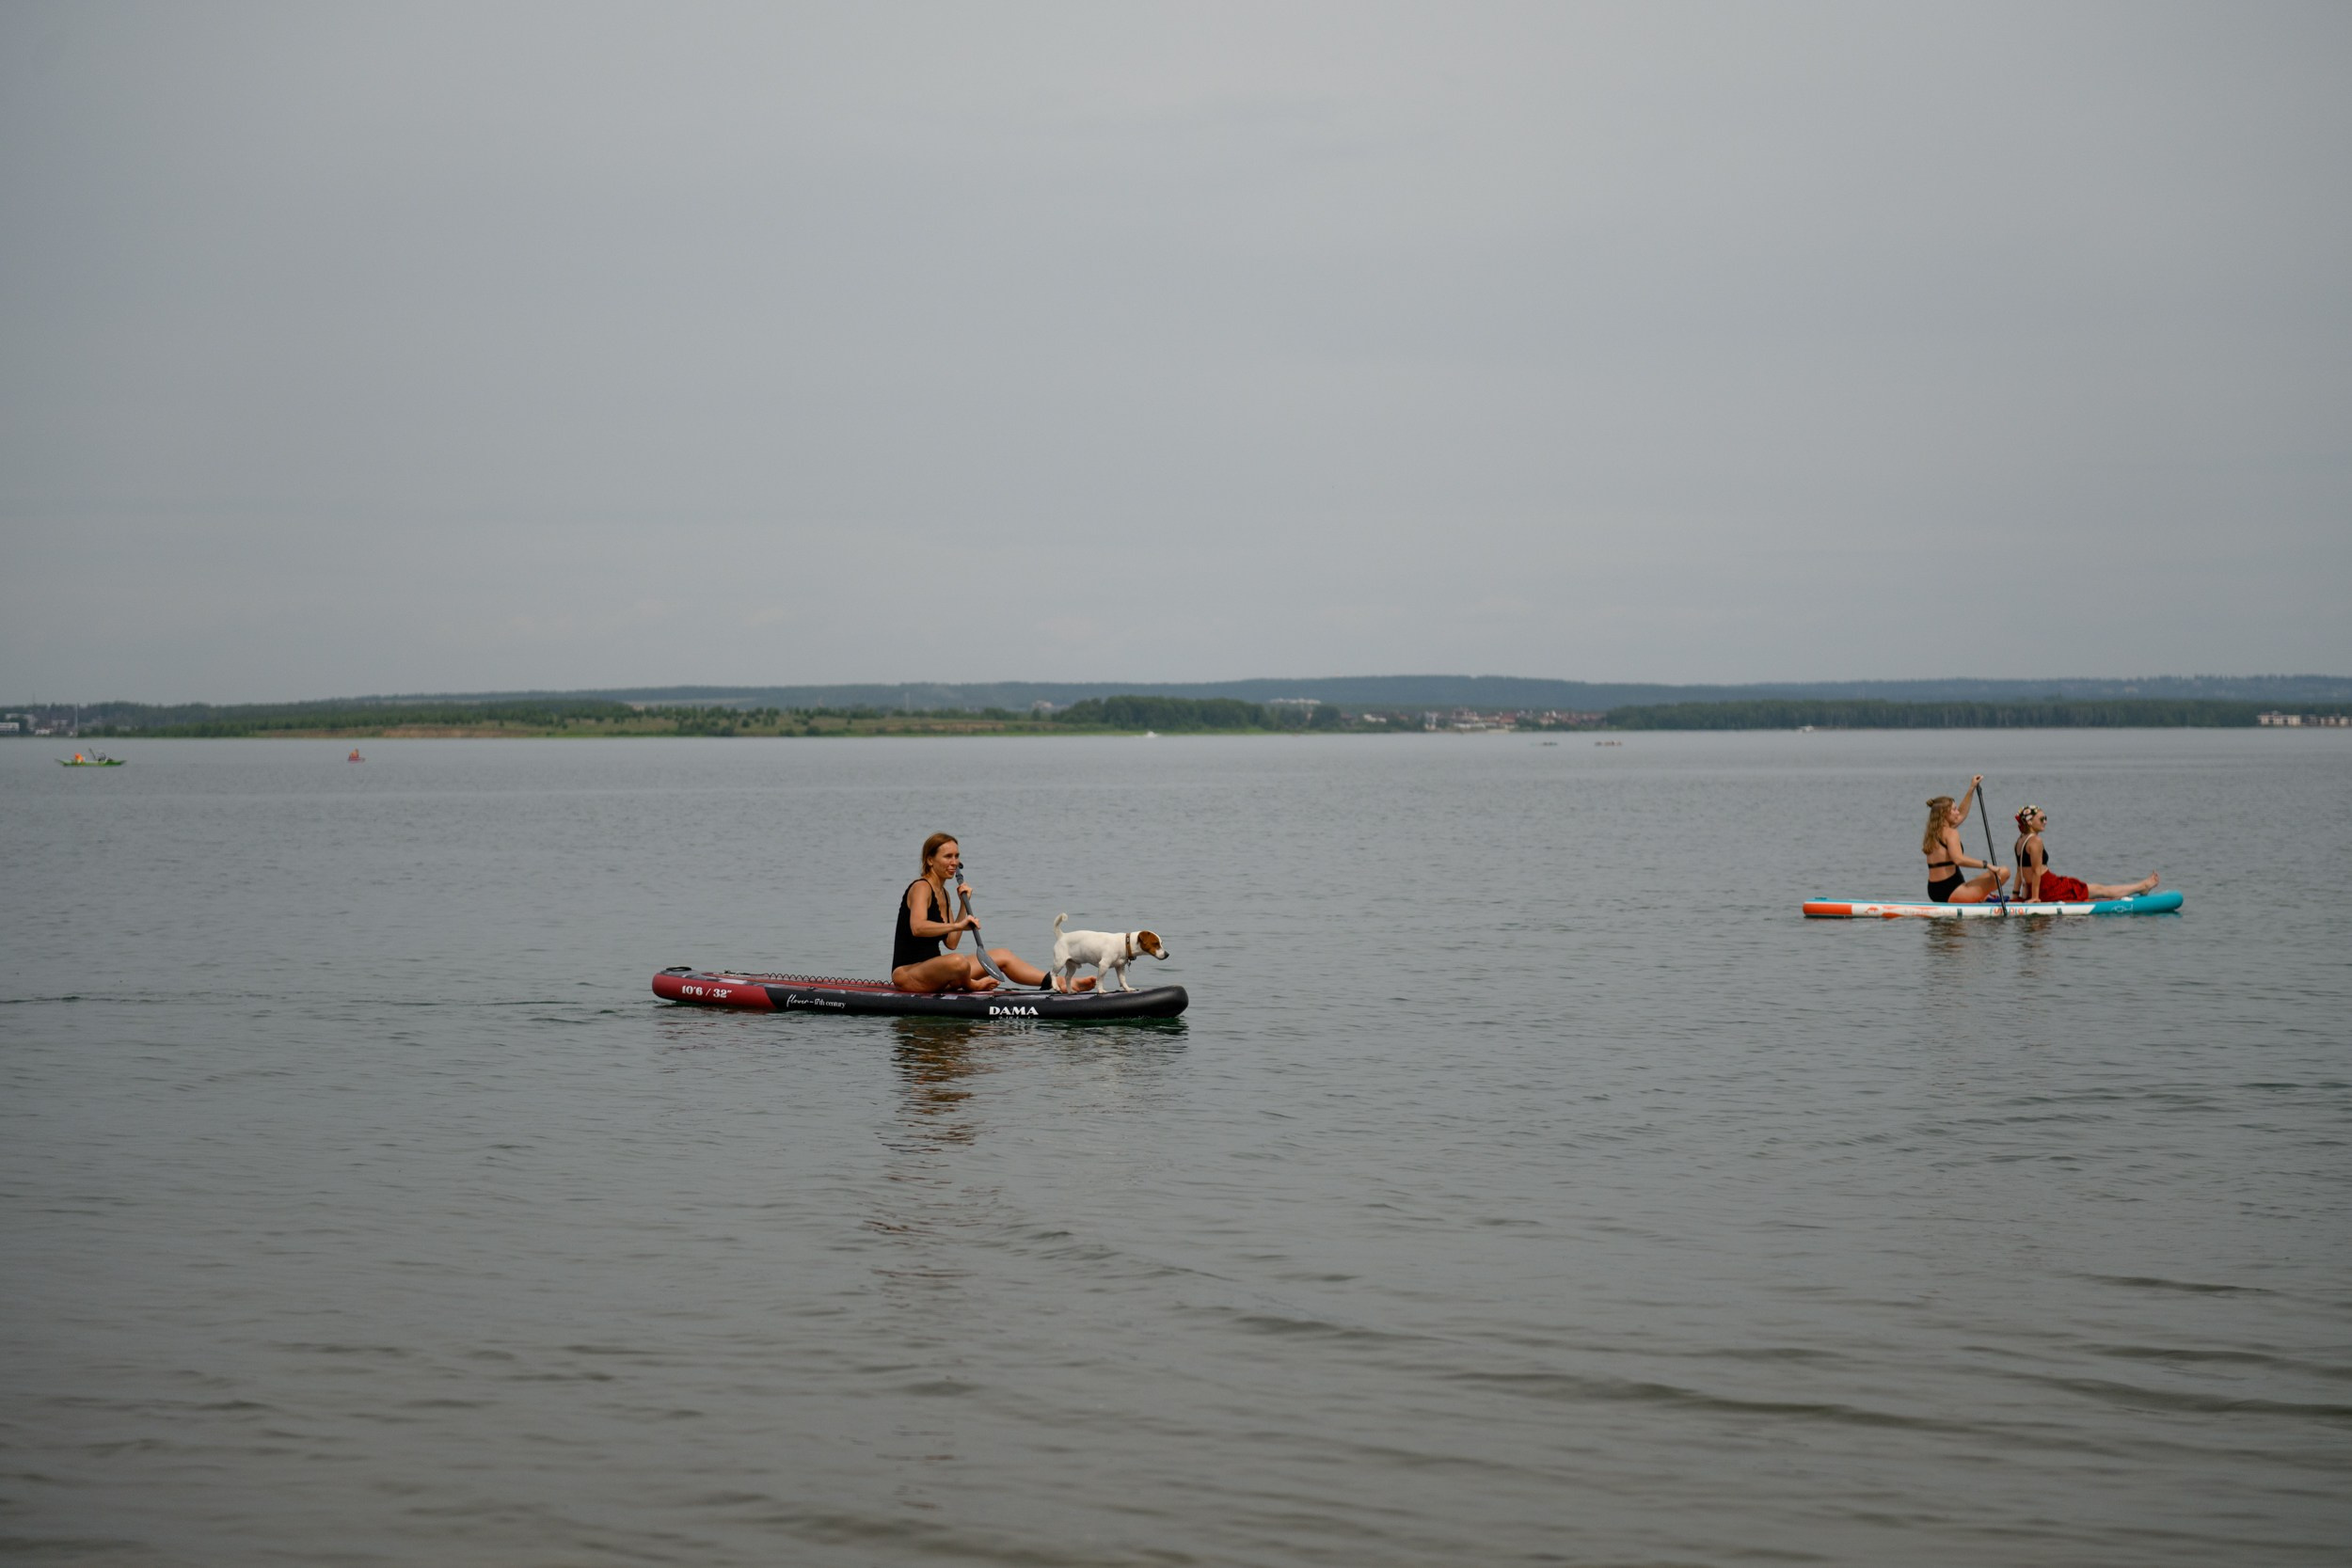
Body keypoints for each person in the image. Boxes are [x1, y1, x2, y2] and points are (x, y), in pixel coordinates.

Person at [890, 833, 1091, 993]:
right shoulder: (921, 888)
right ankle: (970, 985)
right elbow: (917, 927)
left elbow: (951, 942)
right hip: (908, 973)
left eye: (957, 856)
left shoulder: (944, 893)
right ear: (930, 860)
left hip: (936, 969)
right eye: (947, 856)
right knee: (958, 961)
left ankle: (1057, 983)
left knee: (1002, 955)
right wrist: (958, 925)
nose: (954, 862)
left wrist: (962, 905)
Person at [2012, 806, 2158, 903]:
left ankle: (2135, 889)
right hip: (2047, 888)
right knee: (2099, 890)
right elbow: (2037, 872)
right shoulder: (2036, 841)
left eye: (2046, 818)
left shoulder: (2020, 841)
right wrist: (2036, 898)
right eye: (2042, 819)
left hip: (2035, 888)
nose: (2045, 822)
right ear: (2030, 822)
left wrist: (2015, 895)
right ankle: (2142, 886)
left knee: (2095, 892)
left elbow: (2020, 871)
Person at [1922, 778, 2010, 903]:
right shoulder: (1951, 833)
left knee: (1989, 876)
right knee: (2004, 871)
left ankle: (1984, 897)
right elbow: (1958, 859)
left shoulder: (1933, 832)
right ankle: (1983, 897)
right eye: (1954, 809)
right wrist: (1987, 865)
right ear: (1944, 813)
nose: (1957, 813)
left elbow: (1961, 815)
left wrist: (1971, 788)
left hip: (1934, 890)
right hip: (1951, 891)